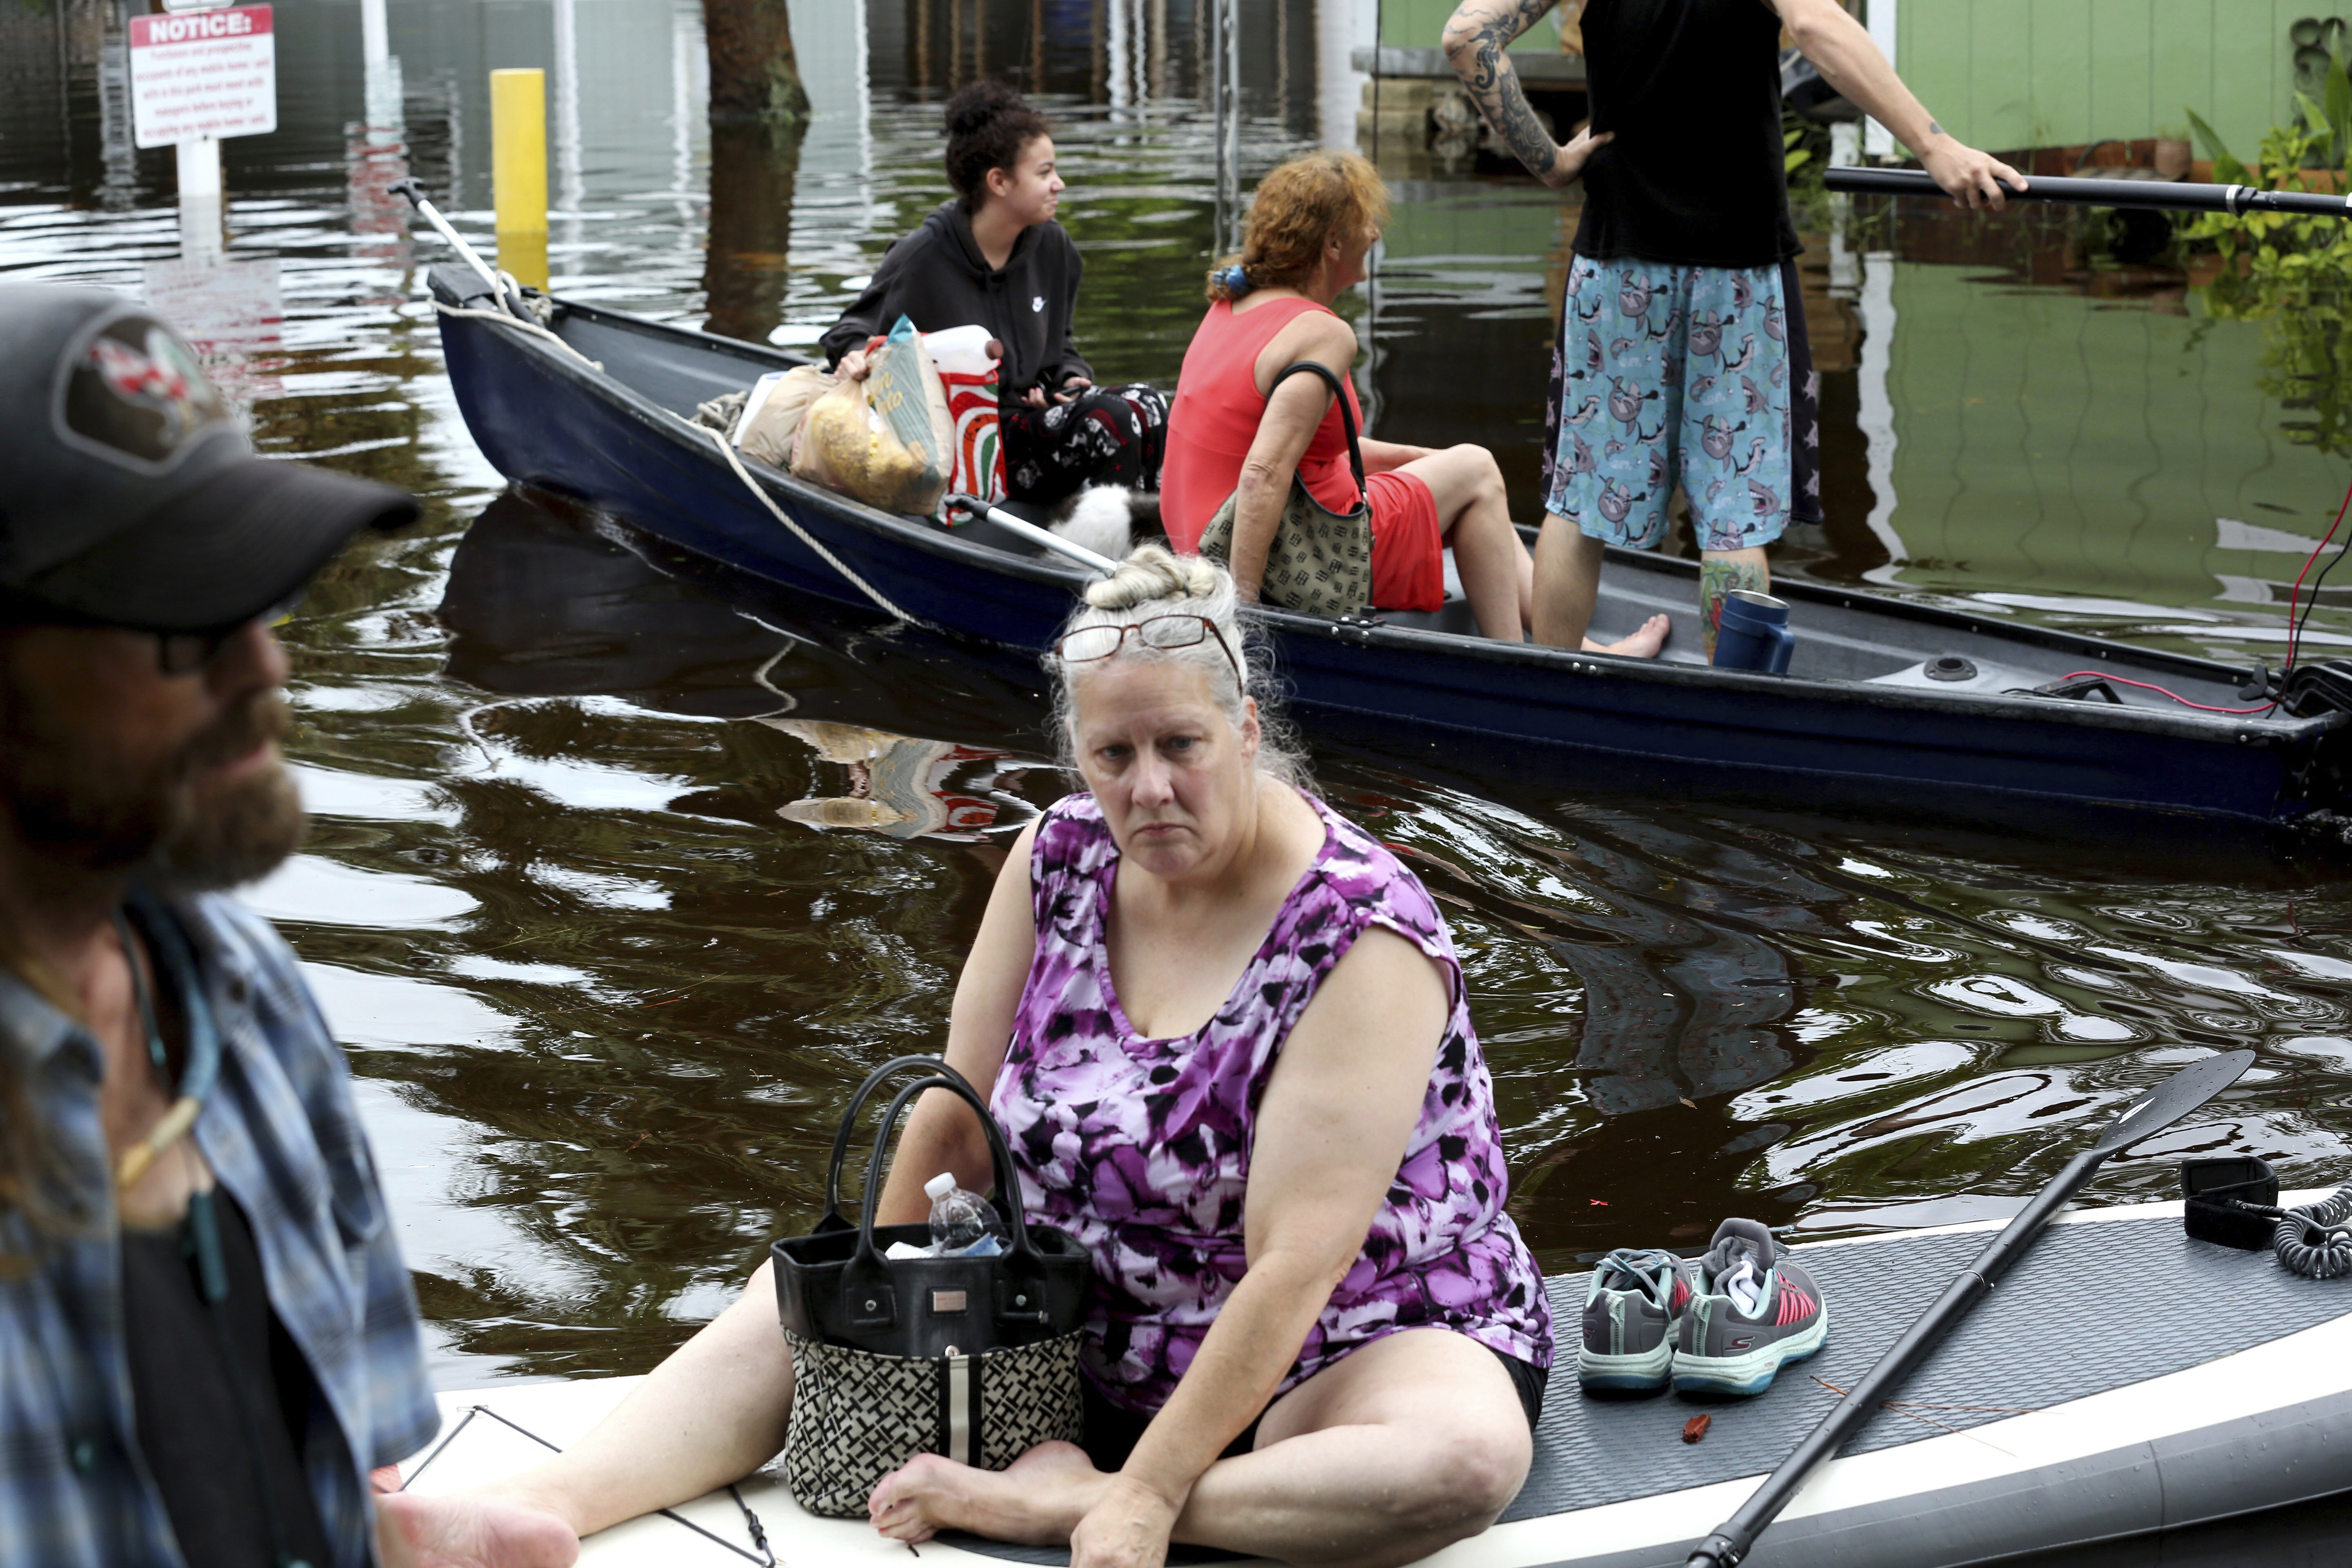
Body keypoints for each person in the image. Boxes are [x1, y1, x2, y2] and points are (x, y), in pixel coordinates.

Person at [389, 546, 1553, 1568]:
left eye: (1182, 745)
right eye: (1113, 754)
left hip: (1336, 1344)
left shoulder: (1362, 929)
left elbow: (1296, 1264)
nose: (1147, 789)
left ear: (1246, 729)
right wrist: (869, 1335)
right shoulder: (1057, 856)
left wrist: (1138, 1498)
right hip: (1071, 1322)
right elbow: (954, 1119)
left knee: (1461, 1462)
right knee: (801, 1292)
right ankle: (527, 1510)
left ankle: (1067, 1500)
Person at [0, 284, 480, 1568]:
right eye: (181, 619)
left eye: (256, 595)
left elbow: (341, 1498)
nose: (263, 667)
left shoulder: (248, 995)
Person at [1442, 0, 2026, 656]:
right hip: (1738, 266)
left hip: (1618, 265)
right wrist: (1933, 145)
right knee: (1732, 516)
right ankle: (1728, 701)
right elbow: (1815, 25)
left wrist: (1547, 161)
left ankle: (1554, 686)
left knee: (1582, 503)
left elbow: (1468, 35)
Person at [1160, 150, 1666, 654]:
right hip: (1282, 555)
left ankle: (1572, 646)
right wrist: (1242, 620)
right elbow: (1263, 473)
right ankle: (1523, 667)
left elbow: (1309, 448)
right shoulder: (1323, 334)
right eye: (1367, 223)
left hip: (1202, 540)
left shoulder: (1232, 303)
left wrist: (1421, 461)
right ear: (1334, 242)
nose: (1376, 235)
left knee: (1467, 478)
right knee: (1480, 469)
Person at [818, 81, 1167, 511]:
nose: (1059, 184)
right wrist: (856, 353)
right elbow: (850, 330)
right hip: (968, 440)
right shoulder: (924, 255)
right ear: (999, 182)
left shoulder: (1055, 249)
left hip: (1032, 422)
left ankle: (1150, 545)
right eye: (1045, 173)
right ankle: (1102, 559)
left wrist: (1069, 382)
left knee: (1148, 404)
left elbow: (1062, 348)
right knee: (1109, 421)